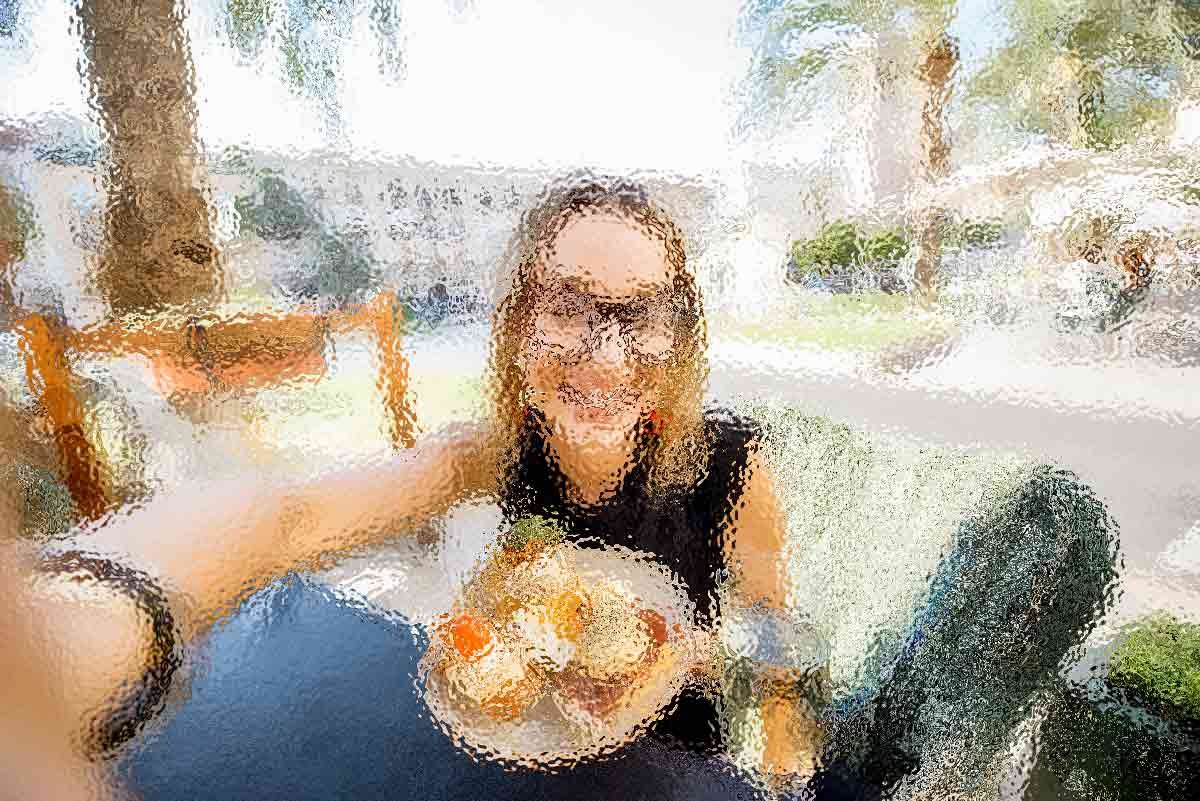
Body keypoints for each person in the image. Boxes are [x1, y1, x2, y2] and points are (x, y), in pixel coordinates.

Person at [6, 177, 833, 800]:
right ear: (518, 326)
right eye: (567, 308)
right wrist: (96, 599)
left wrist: (731, 702)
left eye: (642, 314)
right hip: (531, 767)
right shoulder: (491, 453)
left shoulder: (733, 465)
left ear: (678, 335)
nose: (606, 357)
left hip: (675, 766)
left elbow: (779, 652)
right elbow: (293, 515)